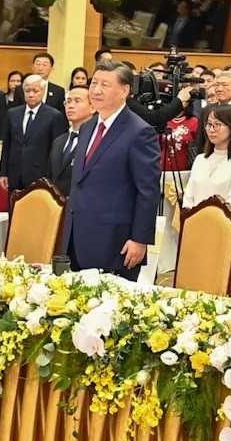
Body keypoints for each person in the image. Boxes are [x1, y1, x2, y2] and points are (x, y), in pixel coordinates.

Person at [62, 60, 162, 279]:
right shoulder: (88, 126)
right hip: (76, 235)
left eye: (105, 85)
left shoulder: (139, 132)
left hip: (115, 240)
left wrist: (139, 239)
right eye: (94, 83)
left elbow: (148, 191)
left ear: (124, 90)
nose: (96, 90)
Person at [185, 101, 231, 215]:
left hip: (222, 226)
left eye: (217, 125)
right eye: (209, 124)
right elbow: (189, 196)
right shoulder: (200, 159)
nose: (211, 130)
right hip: (193, 225)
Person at [2, 76, 65, 194]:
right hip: (15, 174)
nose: (31, 95)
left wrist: (51, 177)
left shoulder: (54, 116)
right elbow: (7, 145)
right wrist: (3, 173)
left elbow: (56, 150)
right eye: (28, 91)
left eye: (35, 91)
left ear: (43, 92)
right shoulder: (13, 113)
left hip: (40, 175)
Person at [47, 87, 93, 200]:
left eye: (77, 101)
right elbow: (50, 178)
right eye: (68, 101)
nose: (70, 106)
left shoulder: (95, 141)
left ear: (92, 107)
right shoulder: (59, 141)